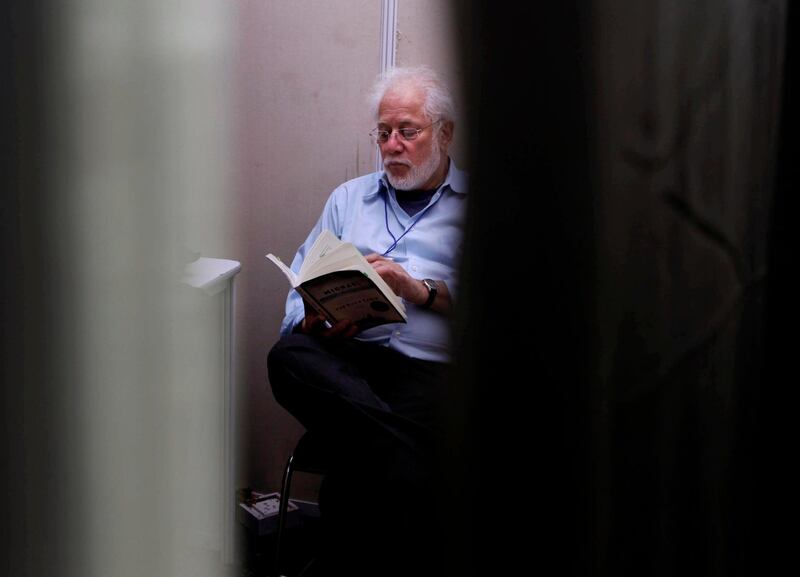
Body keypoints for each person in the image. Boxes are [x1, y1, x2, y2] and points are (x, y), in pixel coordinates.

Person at [267, 65, 467, 576]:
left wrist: (416, 289)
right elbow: (298, 290)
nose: (392, 144)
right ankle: (419, 469)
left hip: (431, 372)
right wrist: (311, 317)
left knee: (358, 464)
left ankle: (345, 555)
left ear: (444, 134)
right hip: (349, 364)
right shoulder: (348, 199)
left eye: (407, 130)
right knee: (287, 357)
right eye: (383, 133)